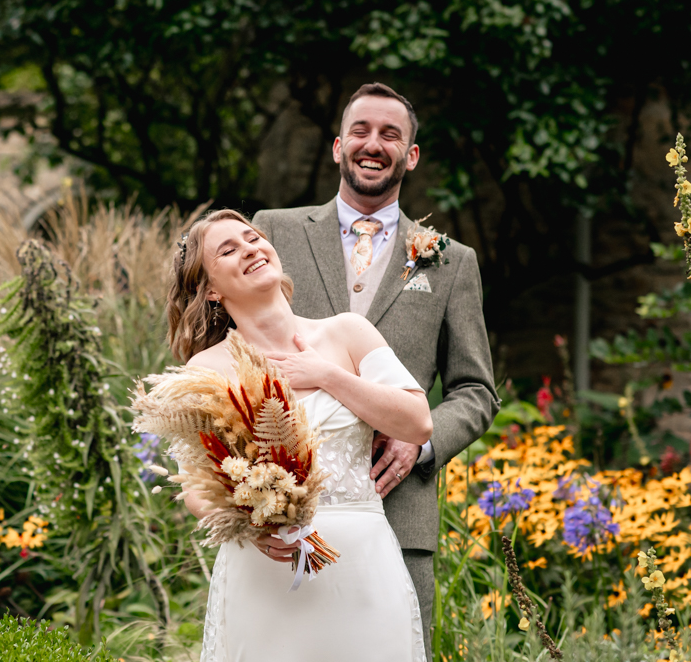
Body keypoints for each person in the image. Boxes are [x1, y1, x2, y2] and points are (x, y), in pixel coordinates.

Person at [252, 82, 500, 660]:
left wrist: (422, 443)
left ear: (410, 155)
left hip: (397, 513)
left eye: (391, 134)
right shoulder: (275, 231)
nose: (373, 144)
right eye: (361, 131)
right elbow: (234, 346)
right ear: (339, 146)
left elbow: (476, 390)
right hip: (286, 506)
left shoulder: (451, 262)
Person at [166, 209, 433, 661]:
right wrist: (251, 526)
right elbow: (194, 487)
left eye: (252, 238)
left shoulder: (347, 332)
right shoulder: (205, 371)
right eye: (228, 250)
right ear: (211, 289)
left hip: (363, 564)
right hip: (267, 570)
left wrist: (328, 375)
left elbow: (417, 421)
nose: (250, 248)